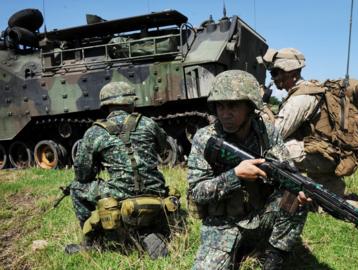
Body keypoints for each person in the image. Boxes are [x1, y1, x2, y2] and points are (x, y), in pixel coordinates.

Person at [261, 48, 358, 236]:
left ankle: (274, 221)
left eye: (275, 72)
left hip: (316, 156)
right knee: (332, 201)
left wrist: (260, 105)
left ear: (290, 71)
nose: (273, 78)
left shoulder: (300, 98)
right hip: (331, 156)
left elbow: (273, 135)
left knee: (270, 153)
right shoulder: (314, 88)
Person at [187, 70, 309, 270]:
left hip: (262, 216)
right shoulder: (205, 138)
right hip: (223, 224)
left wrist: (302, 193)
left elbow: (288, 172)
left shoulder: (266, 132)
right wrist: (235, 176)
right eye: (220, 105)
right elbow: (196, 193)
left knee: (296, 193)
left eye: (233, 105)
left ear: (250, 107)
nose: (225, 113)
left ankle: (274, 258)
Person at [67, 81, 177, 258]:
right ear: (131, 103)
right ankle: (154, 230)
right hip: (154, 190)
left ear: (105, 105)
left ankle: (92, 243)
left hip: (119, 194)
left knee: (76, 188)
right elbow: (164, 148)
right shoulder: (149, 124)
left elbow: (82, 174)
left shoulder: (95, 132)